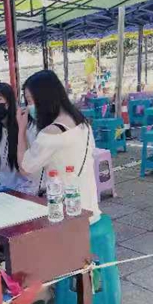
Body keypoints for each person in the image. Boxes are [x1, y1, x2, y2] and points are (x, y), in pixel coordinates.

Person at [17, 70, 101, 224]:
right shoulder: (82, 123)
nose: (29, 107)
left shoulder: (51, 133)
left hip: (67, 215)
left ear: (44, 98)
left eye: (30, 101)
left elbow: (24, 168)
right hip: (89, 208)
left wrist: (21, 129)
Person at [0, 83, 42, 196]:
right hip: (3, 193)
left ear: (10, 102)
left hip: (28, 193)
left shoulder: (27, 127)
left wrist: (24, 194)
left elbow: (34, 170)